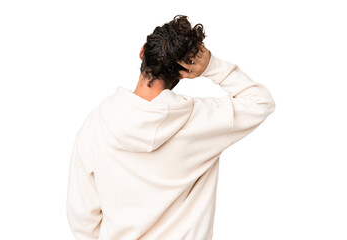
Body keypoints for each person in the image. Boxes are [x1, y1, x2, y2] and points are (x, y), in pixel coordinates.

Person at [66, 15, 275, 240]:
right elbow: (260, 101)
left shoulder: (97, 124)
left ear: (142, 52)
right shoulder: (201, 121)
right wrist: (212, 66)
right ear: (182, 72)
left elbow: (82, 217)